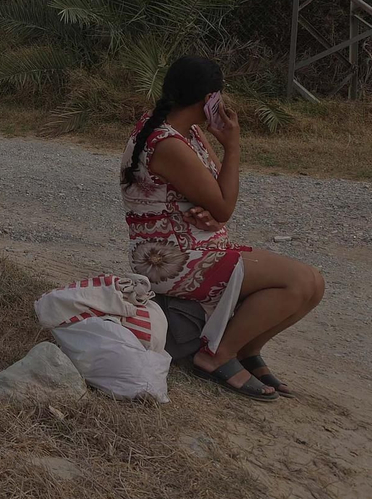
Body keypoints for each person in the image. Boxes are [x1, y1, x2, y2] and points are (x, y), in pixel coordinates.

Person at [121, 56, 324, 401]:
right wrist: (232, 145)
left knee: (315, 285)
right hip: (173, 261)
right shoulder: (167, 142)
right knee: (299, 281)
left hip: (200, 249)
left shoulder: (189, 132)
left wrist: (216, 212)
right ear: (210, 98)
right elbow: (225, 202)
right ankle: (216, 355)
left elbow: (219, 194)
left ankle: (244, 349)